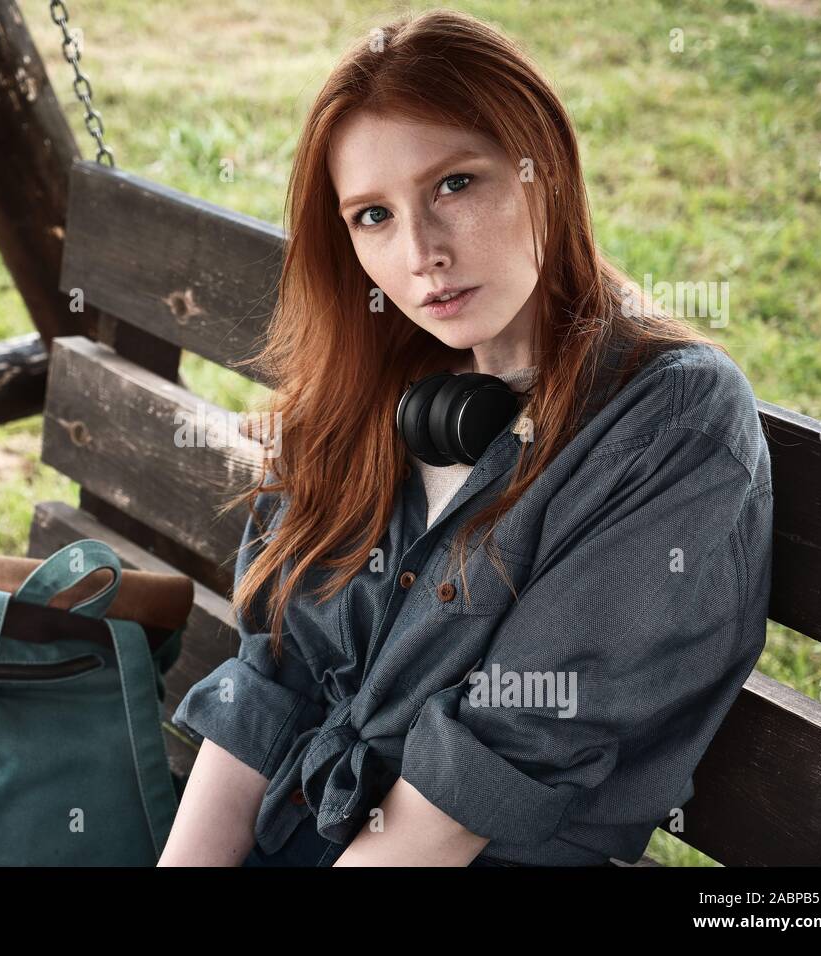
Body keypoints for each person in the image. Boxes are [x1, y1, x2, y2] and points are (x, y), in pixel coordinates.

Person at [156, 9, 773, 867]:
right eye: (372, 215)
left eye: (455, 184)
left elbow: (480, 780)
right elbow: (274, 679)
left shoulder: (670, 422)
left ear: (542, 168)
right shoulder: (373, 381)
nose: (421, 253)